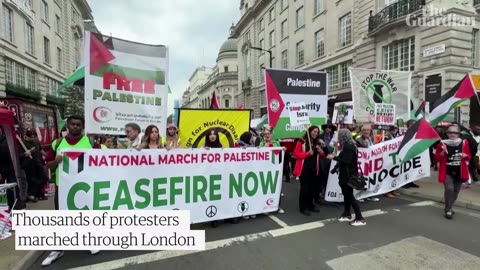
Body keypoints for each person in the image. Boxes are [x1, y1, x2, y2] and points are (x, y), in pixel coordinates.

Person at [42, 116, 100, 266]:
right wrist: (56, 162)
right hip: (63, 188)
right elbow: (47, 164)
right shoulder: (57, 143)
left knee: (86, 216)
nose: (75, 126)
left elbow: (102, 162)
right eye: (72, 124)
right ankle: (58, 248)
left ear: (82, 127)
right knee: (61, 218)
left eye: (78, 124)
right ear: (67, 125)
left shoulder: (90, 142)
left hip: (85, 186)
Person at [327, 128, 366, 226]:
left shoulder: (348, 146)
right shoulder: (349, 145)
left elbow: (347, 161)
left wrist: (334, 157)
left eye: (340, 135)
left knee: (349, 196)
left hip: (347, 175)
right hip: (347, 174)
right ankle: (347, 213)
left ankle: (359, 217)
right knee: (347, 195)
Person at [434, 125, 471, 219]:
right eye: (450, 132)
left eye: (455, 132)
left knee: (455, 191)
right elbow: (436, 158)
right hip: (447, 171)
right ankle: (448, 210)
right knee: (449, 189)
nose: (452, 134)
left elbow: (469, 156)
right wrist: (442, 153)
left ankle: (449, 207)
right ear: (447, 134)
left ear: (458, 134)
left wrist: (465, 155)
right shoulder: (442, 144)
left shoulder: (464, 143)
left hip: (460, 171)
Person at [293, 126, 324, 216]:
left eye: (317, 132)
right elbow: (295, 154)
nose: (316, 134)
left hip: (314, 168)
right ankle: (303, 207)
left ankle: (310, 205)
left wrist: (321, 152)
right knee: (305, 188)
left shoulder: (317, 142)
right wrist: (307, 154)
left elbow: (321, 156)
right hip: (304, 168)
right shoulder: (301, 141)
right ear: (309, 131)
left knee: (312, 188)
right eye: (314, 131)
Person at [259, 125, 286, 214]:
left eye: (269, 133)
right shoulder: (261, 144)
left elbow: (278, 154)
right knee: (265, 188)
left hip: (275, 170)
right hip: (265, 170)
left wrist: (283, 149)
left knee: (277, 188)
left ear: (271, 134)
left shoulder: (276, 143)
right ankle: (264, 206)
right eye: (265, 134)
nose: (267, 135)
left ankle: (276, 206)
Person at [21, 130, 48, 202]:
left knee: (44, 177)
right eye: (31, 137)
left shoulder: (36, 142)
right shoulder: (23, 143)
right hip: (28, 164)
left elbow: (41, 150)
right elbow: (21, 154)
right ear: (27, 136)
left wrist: (48, 156)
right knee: (32, 180)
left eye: (34, 137)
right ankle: (32, 195)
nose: (33, 138)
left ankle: (38, 193)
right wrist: (30, 151)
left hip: (37, 162)